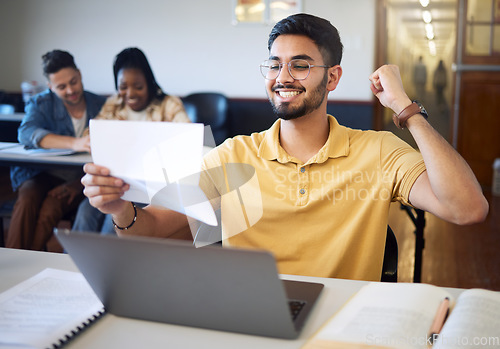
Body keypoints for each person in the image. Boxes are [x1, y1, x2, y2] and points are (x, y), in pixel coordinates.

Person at [81, 14, 488, 281]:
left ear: (332, 78)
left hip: (342, 328)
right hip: (251, 321)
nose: (283, 76)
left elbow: (467, 208)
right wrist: (119, 209)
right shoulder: (234, 154)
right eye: (275, 63)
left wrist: (406, 109)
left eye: (301, 64)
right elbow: (148, 231)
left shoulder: (378, 152)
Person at [72, 47, 190, 234]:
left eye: (138, 86)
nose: (130, 94)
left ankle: (109, 261)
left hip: (151, 188)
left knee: (110, 225)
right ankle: (72, 260)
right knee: (85, 212)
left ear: (149, 83)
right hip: (115, 182)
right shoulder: (113, 104)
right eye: (123, 87)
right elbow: (91, 135)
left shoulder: (169, 104)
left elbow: (186, 140)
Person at [6, 50, 106, 250]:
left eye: (74, 81)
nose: (70, 90)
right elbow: (26, 133)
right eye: (61, 87)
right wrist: (73, 143)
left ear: (79, 74)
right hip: (41, 174)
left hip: (77, 178)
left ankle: (29, 263)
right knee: (27, 198)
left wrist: (76, 185)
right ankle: (11, 260)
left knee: (49, 209)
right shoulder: (41, 103)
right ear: (50, 87)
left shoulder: (99, 105)